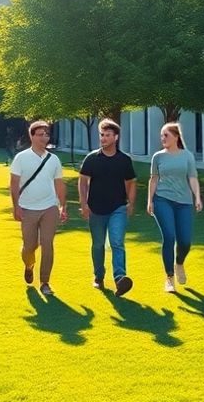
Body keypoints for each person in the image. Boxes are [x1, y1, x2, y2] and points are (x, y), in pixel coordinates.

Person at [9, 120, 67, 297]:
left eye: (46, 134)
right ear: (32, 136)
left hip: (49, 206)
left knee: (48, 244)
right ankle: (29, 265)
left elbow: (59, 184)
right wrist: (16, 206)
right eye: (40, 134)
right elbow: (14, 184)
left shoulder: (54, 159)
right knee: (29, 247)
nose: (44, 138)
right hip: (27, 208)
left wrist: (62, 206)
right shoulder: (21, 158)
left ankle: (45, 282)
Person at [79, 118, 136, 295]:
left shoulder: (124, 160)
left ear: (116, 137)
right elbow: (82, 181)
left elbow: (131, 182)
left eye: (107, 135)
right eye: (101, 135)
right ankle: (99, 276)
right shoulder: (92, 158)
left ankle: (120, 278)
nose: (103, 138)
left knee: (117, 242)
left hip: (118, 208)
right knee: (98, 245)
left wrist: (131, 202)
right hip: (95, 209)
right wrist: (84, 204)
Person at [147, 122, 203, 293]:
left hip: (184, 202)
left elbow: (192, 177)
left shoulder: (187, 156)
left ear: (176, 137)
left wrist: (197, 197)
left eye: (166, 135)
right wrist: (150, 200)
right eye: (162, 135)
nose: (162, 138)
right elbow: (154, 179)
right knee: (169, 237)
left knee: (185, 241)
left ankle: (179, 263)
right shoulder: (158, 157)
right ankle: (169, 278)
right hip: (162, 200)